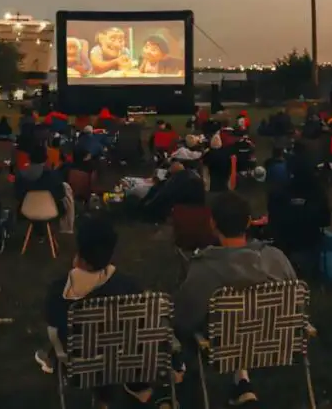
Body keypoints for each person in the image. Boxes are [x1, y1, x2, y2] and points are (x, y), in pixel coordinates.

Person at [35, 216, 177, 407]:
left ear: (80, 252)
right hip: (126, 361)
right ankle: (137, 389)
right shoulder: (130, 287)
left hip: (83, 368)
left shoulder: (59, 292)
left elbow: (55, 326)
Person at [173, 193, 297, 407]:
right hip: (274, 339)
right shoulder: (276, 258)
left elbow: (184, 318)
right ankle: (241, 379)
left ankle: (181, 372)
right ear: (249, 222)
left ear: (213, 223)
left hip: (224, 344)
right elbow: (297, 302)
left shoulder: (204, 269)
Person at [267, 161, 330, 272]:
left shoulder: (277, 192)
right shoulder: (318, 192)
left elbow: (272, 220)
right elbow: (326, 221)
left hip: (284, 245)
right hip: (309, 243)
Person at [16, 146, 74, 234]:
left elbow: (17, 195)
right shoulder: (53, 176)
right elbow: (61, 195)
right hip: (51, 210)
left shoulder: (21, 175)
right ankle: (66, 228)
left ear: (29, 158)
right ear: (46, 159)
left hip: (26, 210)